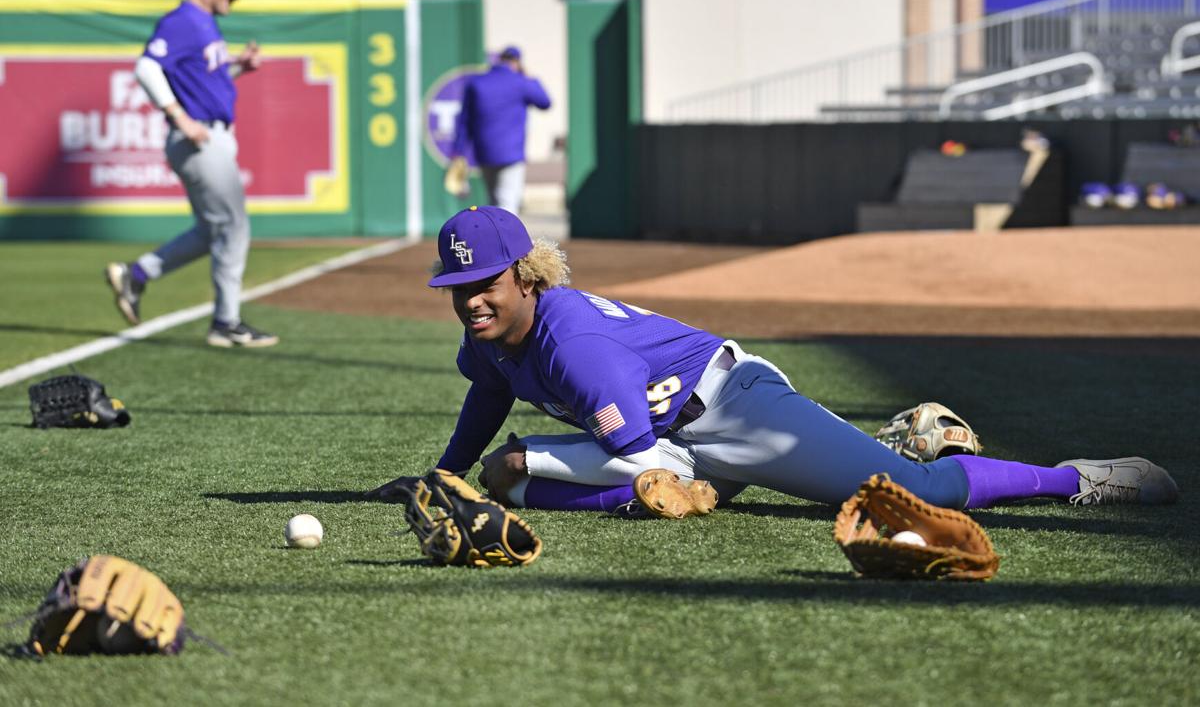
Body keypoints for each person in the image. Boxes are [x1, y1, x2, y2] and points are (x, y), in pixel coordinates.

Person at [368, 206, 1179, 516]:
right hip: (664, 430)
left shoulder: (573, 347)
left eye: (486, 282)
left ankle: (1079, 478)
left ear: (526, 275)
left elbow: (642, 459)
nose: (471, 297)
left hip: (734, 410)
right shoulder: (490, 339)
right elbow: (485, 397)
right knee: (508, 473)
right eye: (457, 285)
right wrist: (448, 472)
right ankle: (894, 437)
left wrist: (665, 490)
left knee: (915, 495)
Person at [105, 0, 277, 348]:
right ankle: (226, 322)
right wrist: (178, 116)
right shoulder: (183, 20)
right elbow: (146, 67)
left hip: (209, 136)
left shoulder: (203, 24)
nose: (234, 0)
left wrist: (239, 67)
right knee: (234, 226)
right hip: (198, 138)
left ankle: (137, 275)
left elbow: (203, 80)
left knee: (209, 231)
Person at [451, 46, 551, 214]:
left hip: (484, 151)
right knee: (507, 203)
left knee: (492, 202)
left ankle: (492, 239)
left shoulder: (477, 82)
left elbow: (464, 121)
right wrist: (528, 77)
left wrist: (458, 152)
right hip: (511, 153)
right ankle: (505, 239)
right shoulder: (520, 82)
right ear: (517, 62)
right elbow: (545, 102)